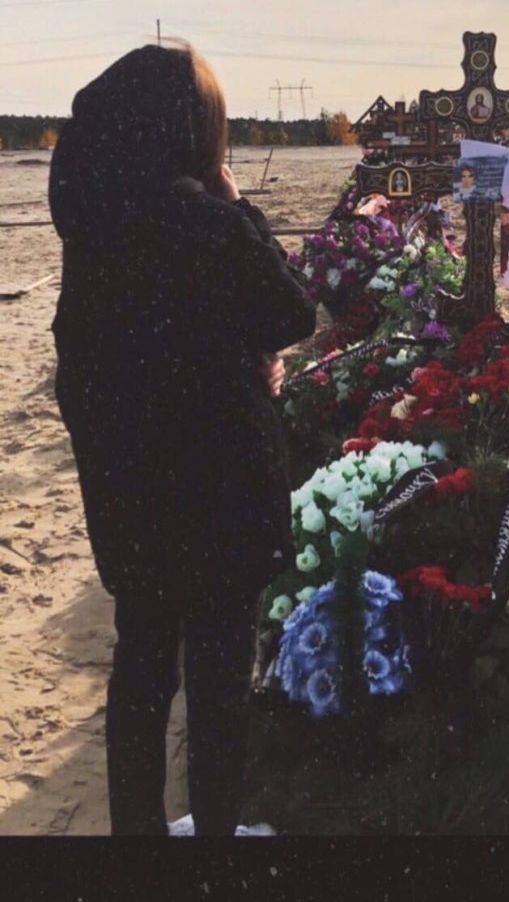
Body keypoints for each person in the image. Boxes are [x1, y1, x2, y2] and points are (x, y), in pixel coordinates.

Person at [48, 42, 316, 835]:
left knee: (140, 671)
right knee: (218, 686)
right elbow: (291, 311)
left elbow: (81, 369)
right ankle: (215, 838)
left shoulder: (94, 233)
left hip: (132, 498)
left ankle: (136, 837)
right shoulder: (203, 219)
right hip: (222, 499)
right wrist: (239, 206)